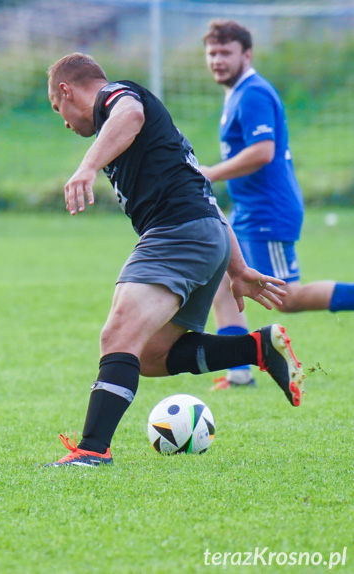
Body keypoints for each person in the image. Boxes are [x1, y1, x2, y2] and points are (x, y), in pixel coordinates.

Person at [45, 53, 305, 467]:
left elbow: (128, 113)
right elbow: (200, 186)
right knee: (149, 355)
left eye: (58, 110)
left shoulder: (117, 97)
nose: (63, 121)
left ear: (67, 90)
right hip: (205, 234)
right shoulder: (144, 130)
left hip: (176, 234)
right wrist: (236, 267)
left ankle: (91, 451)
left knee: (118, 336)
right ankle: (255, 349)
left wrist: (87, 167)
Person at [201, 20, 354, 391]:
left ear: (246, 55)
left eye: (226, 53)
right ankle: (239, 370)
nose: (217, 61)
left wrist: (211, 173)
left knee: (287, 297)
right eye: (212, 53)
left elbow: (263, 152)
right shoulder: (236, 92)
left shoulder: (253, 93)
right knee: (222, 276)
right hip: (248, 208)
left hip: (267, 209)